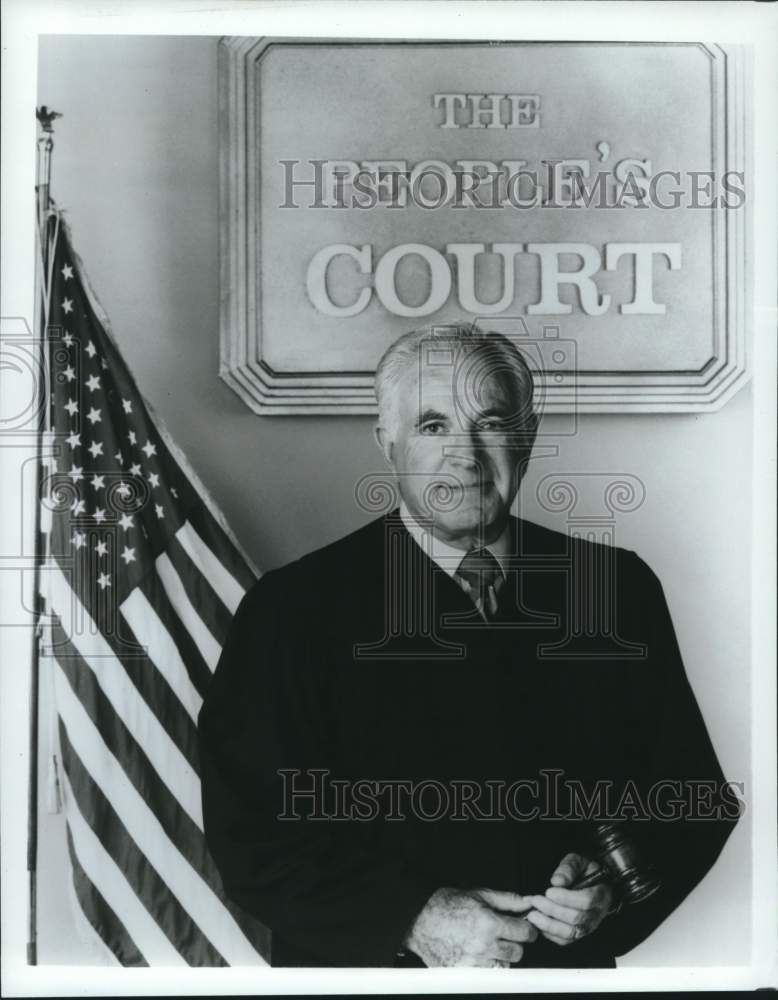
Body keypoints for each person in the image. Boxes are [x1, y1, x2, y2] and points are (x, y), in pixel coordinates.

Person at [198, 323, 739, 968]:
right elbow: (251, 836)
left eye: (491, 424)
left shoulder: (615, 591)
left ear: (528, 437)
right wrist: (412, 918)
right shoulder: (292, 610)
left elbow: (693, 800)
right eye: (433, 426)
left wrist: (610, 893)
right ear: (387, 443)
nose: (466, 455)